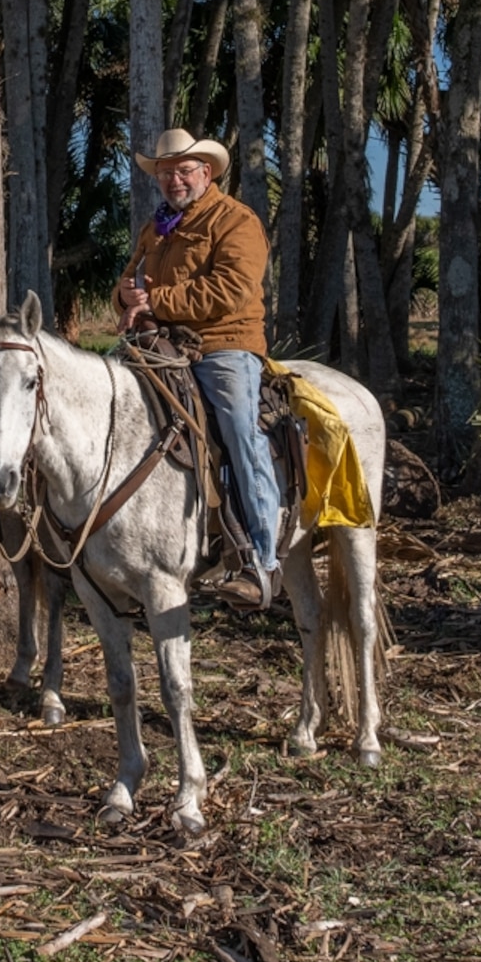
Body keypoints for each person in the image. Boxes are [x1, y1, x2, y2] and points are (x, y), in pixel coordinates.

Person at [116, 129, 282, 608]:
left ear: (206, 173)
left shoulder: (236, 221)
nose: (174, 180)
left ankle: (261, 559)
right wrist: (125, 298)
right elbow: (129, 281)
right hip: (161, 344)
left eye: (184, 171)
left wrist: (157, 302)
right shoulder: (156, 229)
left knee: (237, 429)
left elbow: (231, 289)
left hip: (223, 344)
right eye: (166, 173)